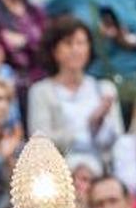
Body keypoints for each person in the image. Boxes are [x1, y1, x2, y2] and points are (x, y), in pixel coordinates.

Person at [26, 16, 124, 159]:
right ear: (54, 50)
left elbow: (118, 137)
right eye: (68, 43)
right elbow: (39, 142)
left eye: (81, 43)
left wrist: (100, 124)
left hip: (101, 170)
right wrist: (88, 126)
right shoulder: (40, 91)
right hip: (60, 170)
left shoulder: (105, 89)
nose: (75, 49)